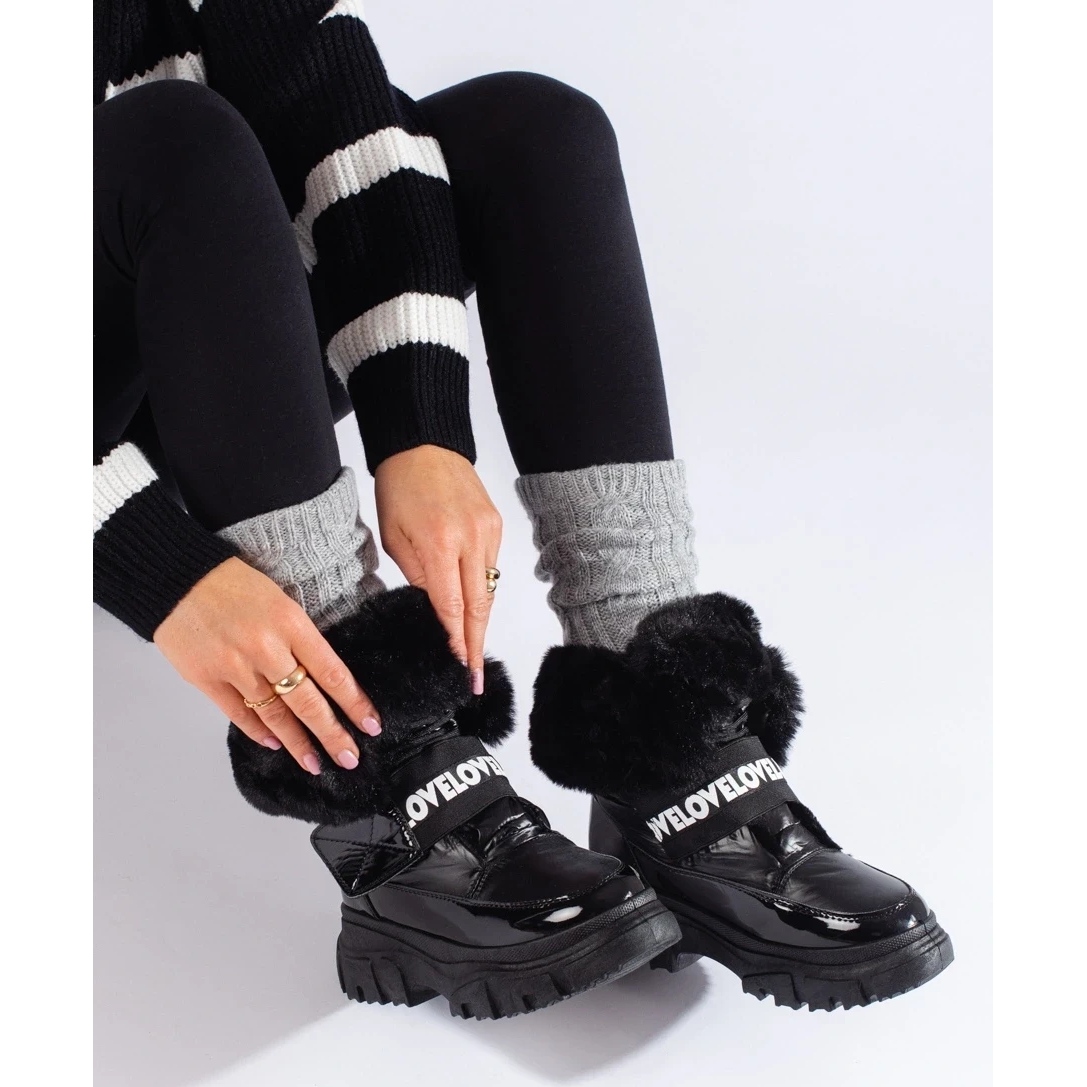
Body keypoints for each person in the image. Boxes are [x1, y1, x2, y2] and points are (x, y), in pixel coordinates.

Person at [94, 0, 952, 1019]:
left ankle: (657, 725)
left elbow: (334, 117)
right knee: (173, 140)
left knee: (531, 127)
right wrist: (158, 567)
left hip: (200, 320)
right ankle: (382, 787)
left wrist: (420, 432)